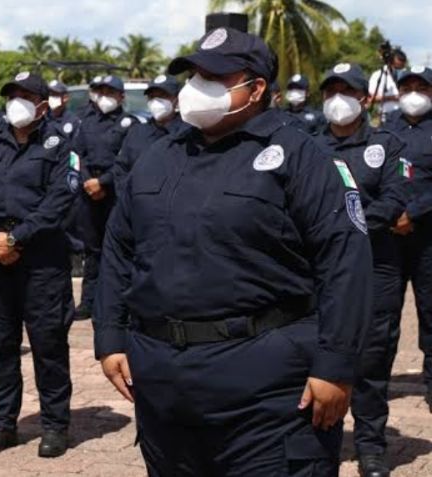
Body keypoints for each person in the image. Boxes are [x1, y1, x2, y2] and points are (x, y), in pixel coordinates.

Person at [95, 27, 373, 476]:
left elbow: (345, 259)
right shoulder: (158, 155)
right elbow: (118, 247)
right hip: (165, 389)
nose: (196, 87)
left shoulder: (301, 156)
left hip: (266, 394)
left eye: (213, 76)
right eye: (195, 74)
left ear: (255, 87)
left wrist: (336, 365)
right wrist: (109, 335)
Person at [0, 72, 77, 458]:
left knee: (48, 345)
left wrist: (17, 239)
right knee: (0, 346)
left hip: (41, 259)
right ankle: (2, 424)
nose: (16, 102)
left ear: (43, 105)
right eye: (11, 95)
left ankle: (54, 425)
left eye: (25, 96)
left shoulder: (60, 144)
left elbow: (60, 199)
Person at [313, 62, 408, 477]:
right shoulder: (309, 147)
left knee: (372, 360)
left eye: (346, 90)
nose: (338, 99)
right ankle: (320, 440)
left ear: (365, 98)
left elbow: (393, 199)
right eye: (330, 90)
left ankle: (370, 446)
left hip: (376, 267)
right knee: (318, 356)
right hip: (321, 271)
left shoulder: (387, 145)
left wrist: (344, 224)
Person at [383, 67, 432, 415]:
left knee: (430, 313)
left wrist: (412, 213)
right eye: (407, 87)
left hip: (428, 236)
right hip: (391, 237)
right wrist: (391, 215)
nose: (413, 93)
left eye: (421, 87)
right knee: (384, 315)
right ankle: (377, 382)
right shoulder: (386, 130)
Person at [72, 74, 136, 320]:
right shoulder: (86, 122)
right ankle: (88, 302)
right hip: (88, 192)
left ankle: (117, 303)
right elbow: (77, 155)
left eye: (111, 93)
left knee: (117, 248)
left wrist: (103, 182)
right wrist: (88, 181)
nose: (105, 97)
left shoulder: (129, 125)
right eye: (102, 92)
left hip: (114, 192)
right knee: (92, 250)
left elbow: (126, 161)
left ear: (121, 96)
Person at [113, 74, 184, 186]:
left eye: (163, 96)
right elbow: (121, 170)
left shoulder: (188, 132)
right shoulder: (136, 132)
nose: (156, 101)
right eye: (151, 97)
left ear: (177, 99)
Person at [47, 79, 82, 276]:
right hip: (47, 175)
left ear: (65, 97)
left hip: (66, 175)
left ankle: (75, 257)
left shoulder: (73, 122)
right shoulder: (44, 120)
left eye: (55, 95)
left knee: (70, 218)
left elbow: (76, 153)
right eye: (49, 94)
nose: (52, 99)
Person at [370, 48, 406, 124]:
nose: (399, 70)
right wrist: (392, 98)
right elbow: (371, 99)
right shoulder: (378, 75)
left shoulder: (405, 75)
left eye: (401, 67)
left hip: (404, 117)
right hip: (385, 117)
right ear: (390, 63)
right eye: (396, 67)